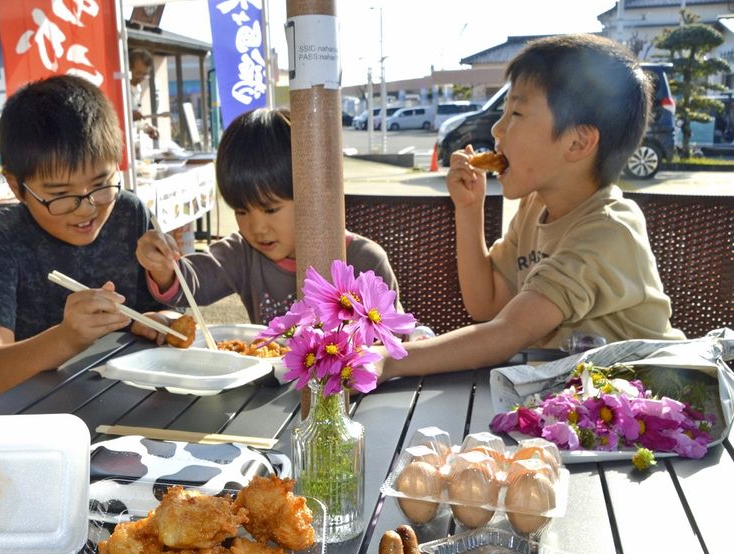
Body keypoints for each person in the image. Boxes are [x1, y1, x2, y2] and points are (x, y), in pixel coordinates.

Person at [378, 34, 685, 382]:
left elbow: (507, 333)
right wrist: (468, 209)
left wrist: (389, 361)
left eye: (517, 113)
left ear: (578, 142)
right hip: (572, 396)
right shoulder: (535, 207)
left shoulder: (608, 230)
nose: (497, 128)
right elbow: (487, 304)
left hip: (652, 402)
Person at [0, 74, 173, 402]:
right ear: (17, 187)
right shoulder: (1, 241)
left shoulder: (128, 213)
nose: (86, 208)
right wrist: (66, 338)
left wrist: (155, 308)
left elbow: (163, 318)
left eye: (101, 184)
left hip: (125, 404)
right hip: (37, 419)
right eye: (61, 194)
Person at [135, 107, 401, 326]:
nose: (256, 227)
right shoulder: (243, 253)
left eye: (270, 209)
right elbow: (192, 283)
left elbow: (395, 340)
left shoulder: (364, 262)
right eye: (241, 210)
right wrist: (163, 268)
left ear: (313, 194)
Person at [130, 48, 159, 142]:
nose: (141, 78)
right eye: (138, 73)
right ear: (128, 70)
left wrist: (148, 128)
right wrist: (128, 115)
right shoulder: (119, 89)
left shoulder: (137, 88)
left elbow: (136, 122)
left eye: (145, 75)